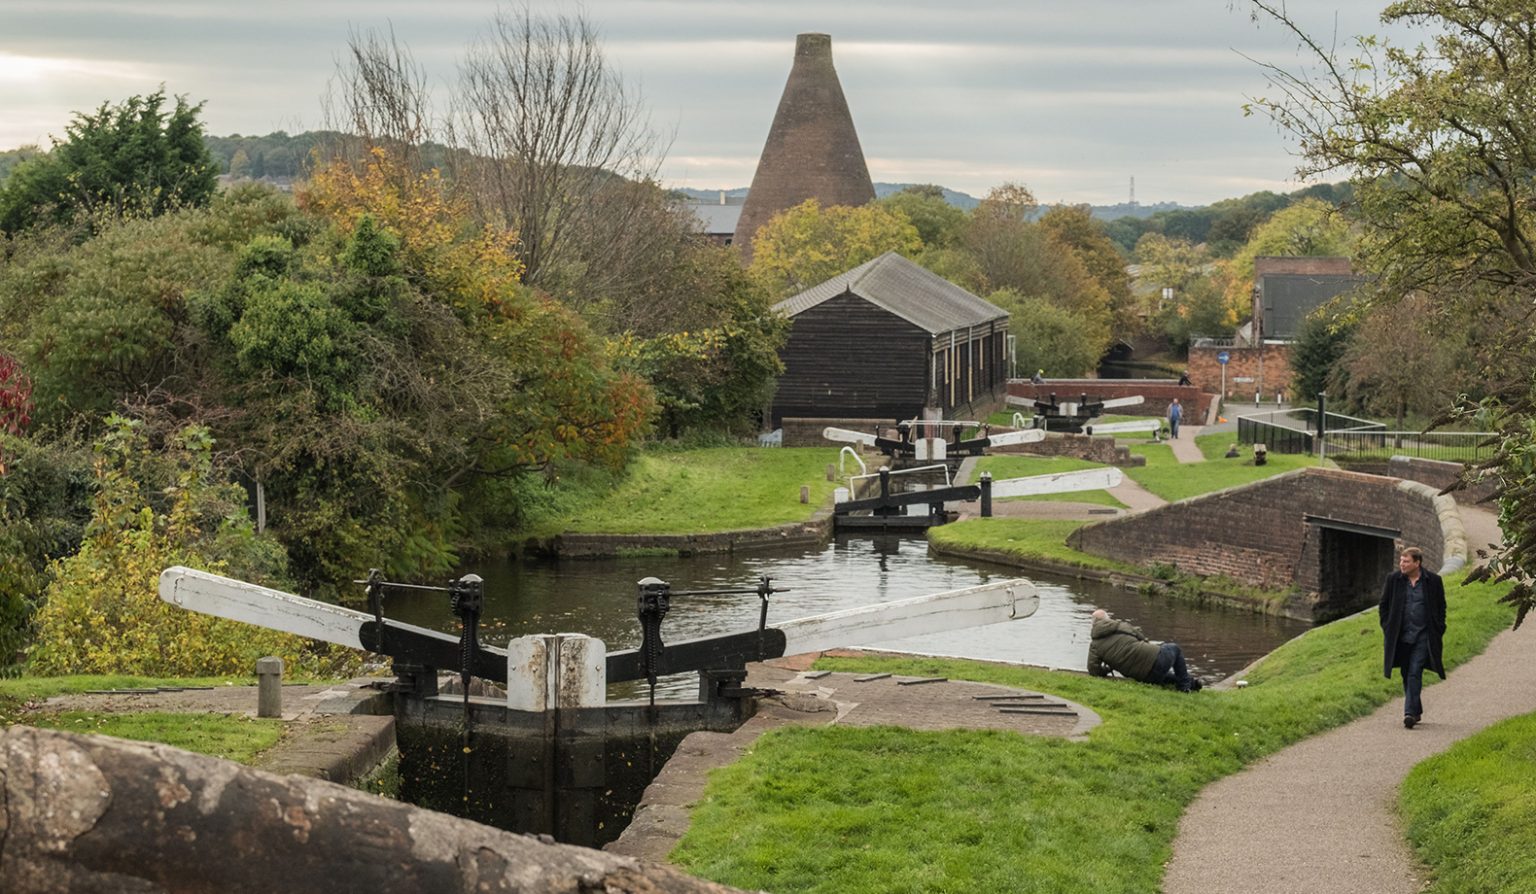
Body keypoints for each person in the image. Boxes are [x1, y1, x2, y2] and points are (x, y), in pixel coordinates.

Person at [1379, 546, 1447, 728]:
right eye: (1401, 560)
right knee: (1405, 672)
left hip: (1423, 636)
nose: (1402, 564)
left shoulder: (1433, 581)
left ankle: (1408, 713)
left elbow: (1441, 607)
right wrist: (1387, 627)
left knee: (1415, 671)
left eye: (1406, 561)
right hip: (1401, 636)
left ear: (1417, 563)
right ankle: (1416, 711)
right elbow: (1384, 606)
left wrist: (1439, 628)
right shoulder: (1393, 580)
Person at [1087, 609, 1201, 691]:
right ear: (1108, 619)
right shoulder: (1122, 626)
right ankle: (1184, 686)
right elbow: (1143, 639)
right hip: (1154, 660)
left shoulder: (1094, 645)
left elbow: (1093, 669)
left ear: (1093, 625)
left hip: (1143, 677)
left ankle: (1191, 683)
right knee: (1175, 648)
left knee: (1162, 674)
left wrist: (1107, 669)